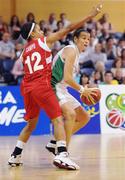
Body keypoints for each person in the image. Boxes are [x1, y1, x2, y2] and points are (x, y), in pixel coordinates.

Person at [8, 3, 102, 170]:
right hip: (43, 85)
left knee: (31, 124)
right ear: (34, 34)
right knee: (59, 119)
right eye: (39, 29)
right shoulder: (44, 42)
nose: (43, 31)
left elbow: (23, 66)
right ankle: (62, 154)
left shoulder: (24, 51)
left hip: (27, 87)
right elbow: (69, 28)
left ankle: (15, 155)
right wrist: (89, 16)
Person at [46, 28, 97, 156]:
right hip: (53, 86)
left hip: (62, 89)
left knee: (84, 117)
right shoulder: (71, 50)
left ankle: (55, 142)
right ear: (75, 39)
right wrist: (82, 90)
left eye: (88, 39)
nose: (86, 41)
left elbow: (67, 80)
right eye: (83, 38)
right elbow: (68, 78)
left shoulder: (77, 55)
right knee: (71, 115)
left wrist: (82, 88)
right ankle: (63, 153)